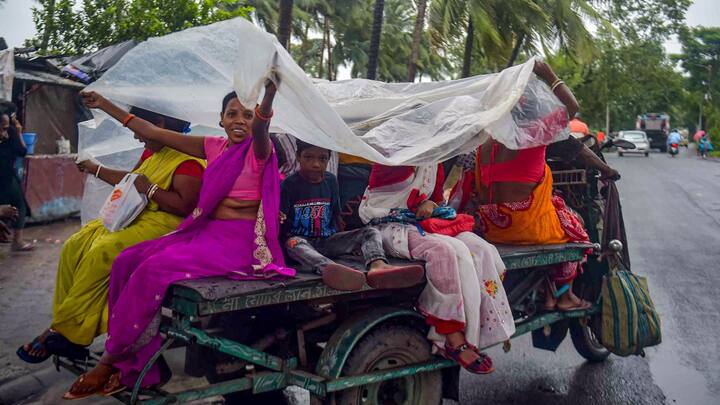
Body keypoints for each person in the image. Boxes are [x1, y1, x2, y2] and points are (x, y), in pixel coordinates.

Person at [61, 74, 296, 398]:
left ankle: (112, 359)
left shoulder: (259, 149)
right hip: (207, 232)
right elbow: (153, 132)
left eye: (246, 113)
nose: (239, 120)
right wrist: (105, 105)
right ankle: (142, 363)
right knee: (126, 259)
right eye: (232, 114)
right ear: (221, 120)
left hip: (241, 243)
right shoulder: (212, 146)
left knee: (152, 270)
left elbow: (261, 127)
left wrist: (268, 94)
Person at [16, 108, 205, 364]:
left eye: (138, 131)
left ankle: (65, 331)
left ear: (158, 123)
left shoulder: (189, 160)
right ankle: (67, 328)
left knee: (103, 251)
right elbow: (131, 181)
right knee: (75, 244)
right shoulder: (154, 151)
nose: (138, 138)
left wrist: (149, 188)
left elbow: (183, 207)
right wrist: (96, 169)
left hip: (166, 225)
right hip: (141, 217)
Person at [465, 60, 617, 312]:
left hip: (493, 225)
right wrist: (547, 73)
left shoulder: (486, 141)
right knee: (575, 224)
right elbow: (572, 107)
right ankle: (565, 294)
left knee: (553, 211)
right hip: (524, 226)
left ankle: (548, 292)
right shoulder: (535, 132)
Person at [360, 163, 515, 375]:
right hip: (386, 226)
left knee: (481, 249)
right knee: (443, 252)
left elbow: (437, 199)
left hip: (421, 223)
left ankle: (483, 328)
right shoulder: (392, 156)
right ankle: (451, 335)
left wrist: (432, 204)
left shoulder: (435, 161)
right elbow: (392, 187)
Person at [281, 140, 424, 291]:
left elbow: (335, 215)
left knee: (370, 231)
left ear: (328, 160)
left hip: (326, 241)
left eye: (322, 159)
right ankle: (332, 269)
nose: (315, 164)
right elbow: (280, 221)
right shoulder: (289, 185)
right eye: (308, 157)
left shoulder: (331, 181)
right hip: (301, 243)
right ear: (298, 157)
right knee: (293, 243)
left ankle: (378, 265)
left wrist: (348, 240)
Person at [0, 110, 34, 251]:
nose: (3, 132)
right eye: (1, 128)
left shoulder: (11, 134)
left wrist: (19, 132)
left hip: (8, 176)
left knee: (19, 206)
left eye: (6, 128)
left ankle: (17, 241)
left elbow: (22, 151)